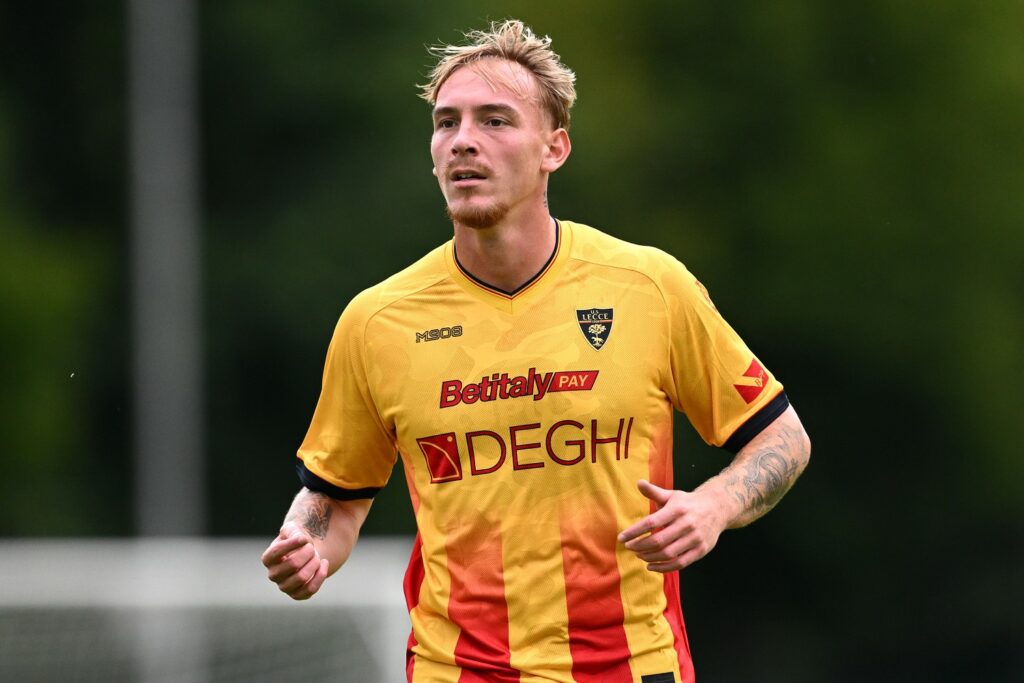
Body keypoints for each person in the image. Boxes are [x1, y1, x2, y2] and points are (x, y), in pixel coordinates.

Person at [261, 19, 810, 683]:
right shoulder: (377, 321)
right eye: (446, 123)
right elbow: (336, 499)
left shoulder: (649, 287)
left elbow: (782, 437)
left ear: (555, 148)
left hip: (632, 668)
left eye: (495, 120)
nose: (464, 140)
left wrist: (714, 507)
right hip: (457, 671)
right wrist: (307, 545)